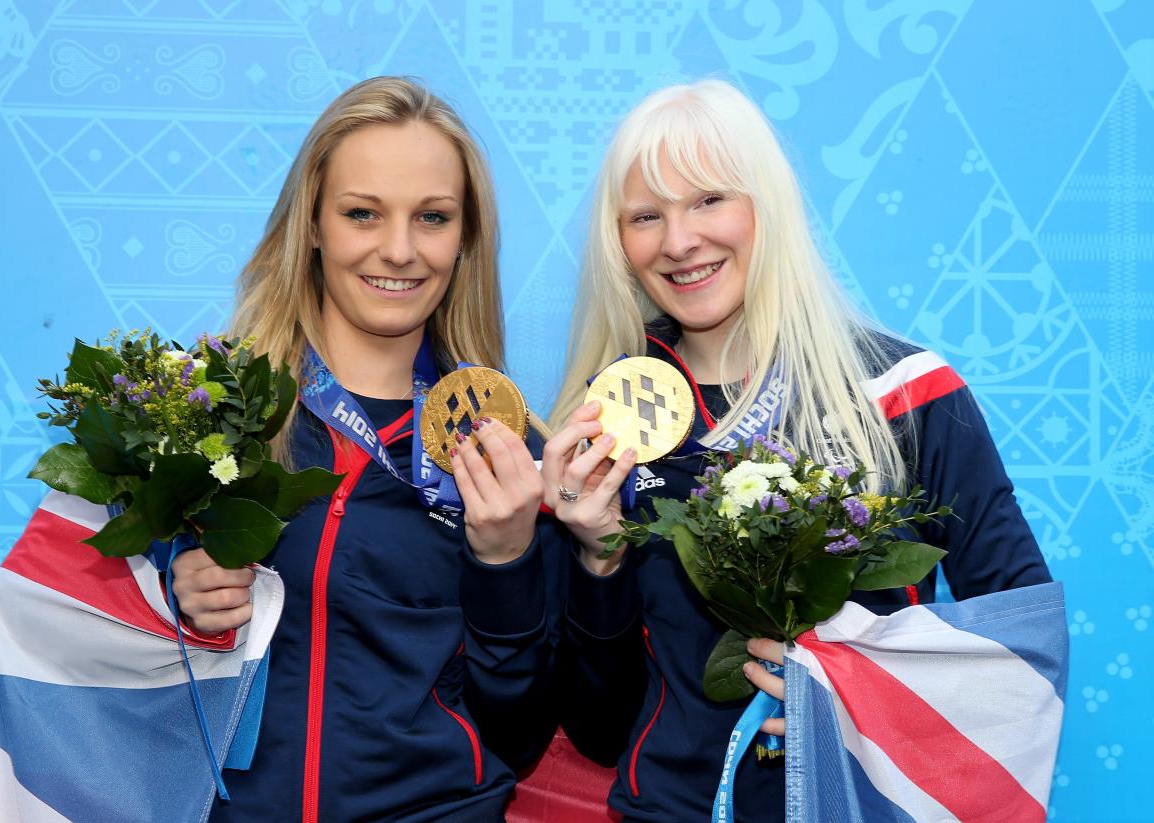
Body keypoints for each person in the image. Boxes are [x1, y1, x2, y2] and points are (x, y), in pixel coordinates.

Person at [541, 79, 1053, 822]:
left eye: (709, 199)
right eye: (646, 215)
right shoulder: (608, 423)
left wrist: (859, 691)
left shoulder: (905, 393)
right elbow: (598, 725)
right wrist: (597, 557)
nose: (679, 240)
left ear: (767, 205)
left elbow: (1021, 653)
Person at [172, 76, 563, 822]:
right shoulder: (211, 416)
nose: (399, 249)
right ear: (312, 224)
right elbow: (96, 658)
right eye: (363, 213)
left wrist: (506, 559)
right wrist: (176, 596)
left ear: (466, 238)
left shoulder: (509, 452)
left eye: (433, 217)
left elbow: (521, 732)